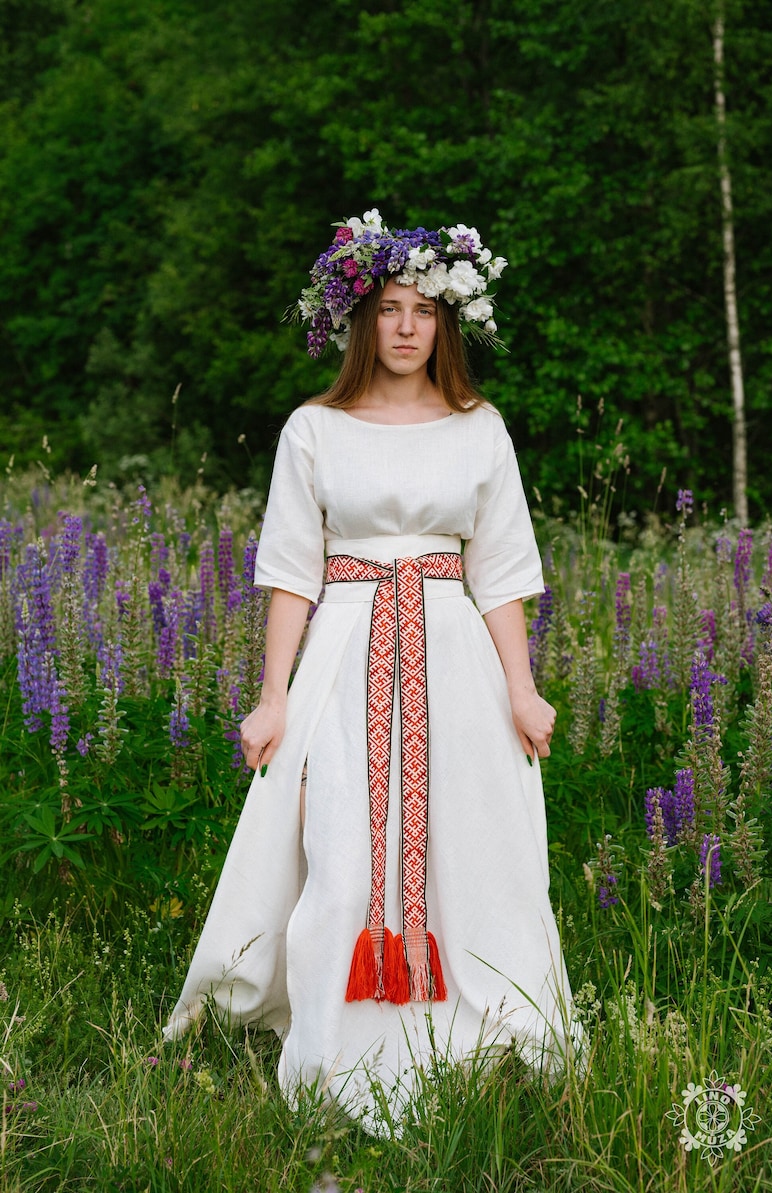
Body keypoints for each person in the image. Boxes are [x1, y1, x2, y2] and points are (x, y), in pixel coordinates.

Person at [164, 209, 576, 1129]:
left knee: (465, 838)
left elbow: (501, 571)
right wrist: (272, 697)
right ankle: (338, 1031)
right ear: (361, 318)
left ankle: (467, 1016)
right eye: (390, 308)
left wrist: (521, 685)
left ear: (446, 323)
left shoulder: (480, 427)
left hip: (452, 653)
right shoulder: (315, 429)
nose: (405, 327)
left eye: (424, 310)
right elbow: (289, 571)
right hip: (346, 651)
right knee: (342, 845)